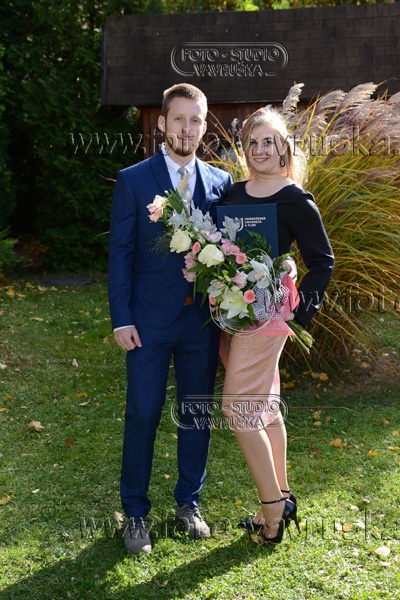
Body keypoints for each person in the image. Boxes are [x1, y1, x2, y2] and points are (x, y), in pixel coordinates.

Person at [108, 83, 232, 554]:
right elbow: (121, 253)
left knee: (196, 414)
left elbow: (233, 246)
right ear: (162, 123)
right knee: (143, 413)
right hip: (148, 322)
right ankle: (135, 514)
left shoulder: (220, 182)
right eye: (179, 118)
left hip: (201, 322)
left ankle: (188, 504)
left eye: (195, 120)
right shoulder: (134, 180)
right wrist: (121, 318)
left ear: (204, 125)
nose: (187, 128)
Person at [219, 106, 334, 544]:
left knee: (237, 409)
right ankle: (283, 497)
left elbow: (322, 262)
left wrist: (298, 316)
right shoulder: (231, 195)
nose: (260, 149)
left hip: (269, 318)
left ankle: (272, 515)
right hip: (232, 314)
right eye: (253, 142)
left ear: (283, 147)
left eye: (269, 141)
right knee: (264, 405)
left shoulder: (294, 198)